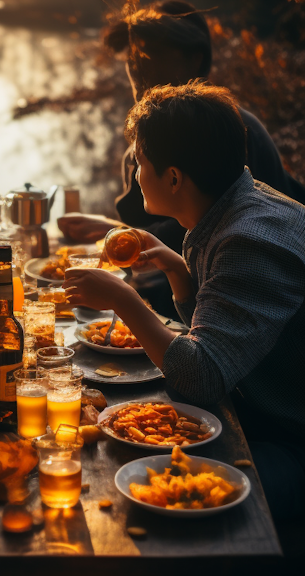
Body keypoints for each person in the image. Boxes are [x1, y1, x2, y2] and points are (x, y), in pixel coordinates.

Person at [64, 82, 305, 522]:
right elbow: (224, 334)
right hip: (260, 408)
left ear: (173, 177)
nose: (135, 175)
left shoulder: (248, 241)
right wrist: (179, 271)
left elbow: (203, 374)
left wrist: (122, 297)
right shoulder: (235, 206)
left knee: (149, 476)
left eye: (139, 163)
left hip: (290, 436)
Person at [59, 0, 305, 256]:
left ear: (194, 60)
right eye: (132, 57)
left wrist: (124, 235)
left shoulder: (229, 132)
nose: (138, 68)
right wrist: (115, 231)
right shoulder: (145, 144)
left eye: (154, 52)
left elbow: (211, 229)